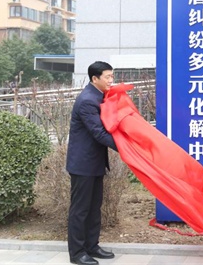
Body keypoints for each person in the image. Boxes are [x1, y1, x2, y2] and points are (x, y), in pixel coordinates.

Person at [66, 61, 118, 265]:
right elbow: (99, 133)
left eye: (112, 76)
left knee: (94, 208)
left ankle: (91, 246)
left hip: (94, 163)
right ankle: (77, 253)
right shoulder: (88, 100)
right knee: (80, 210)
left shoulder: (99, 96)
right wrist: (127, 148)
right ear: (95, 79)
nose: (111, 80)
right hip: (83, 164)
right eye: (107, 77)